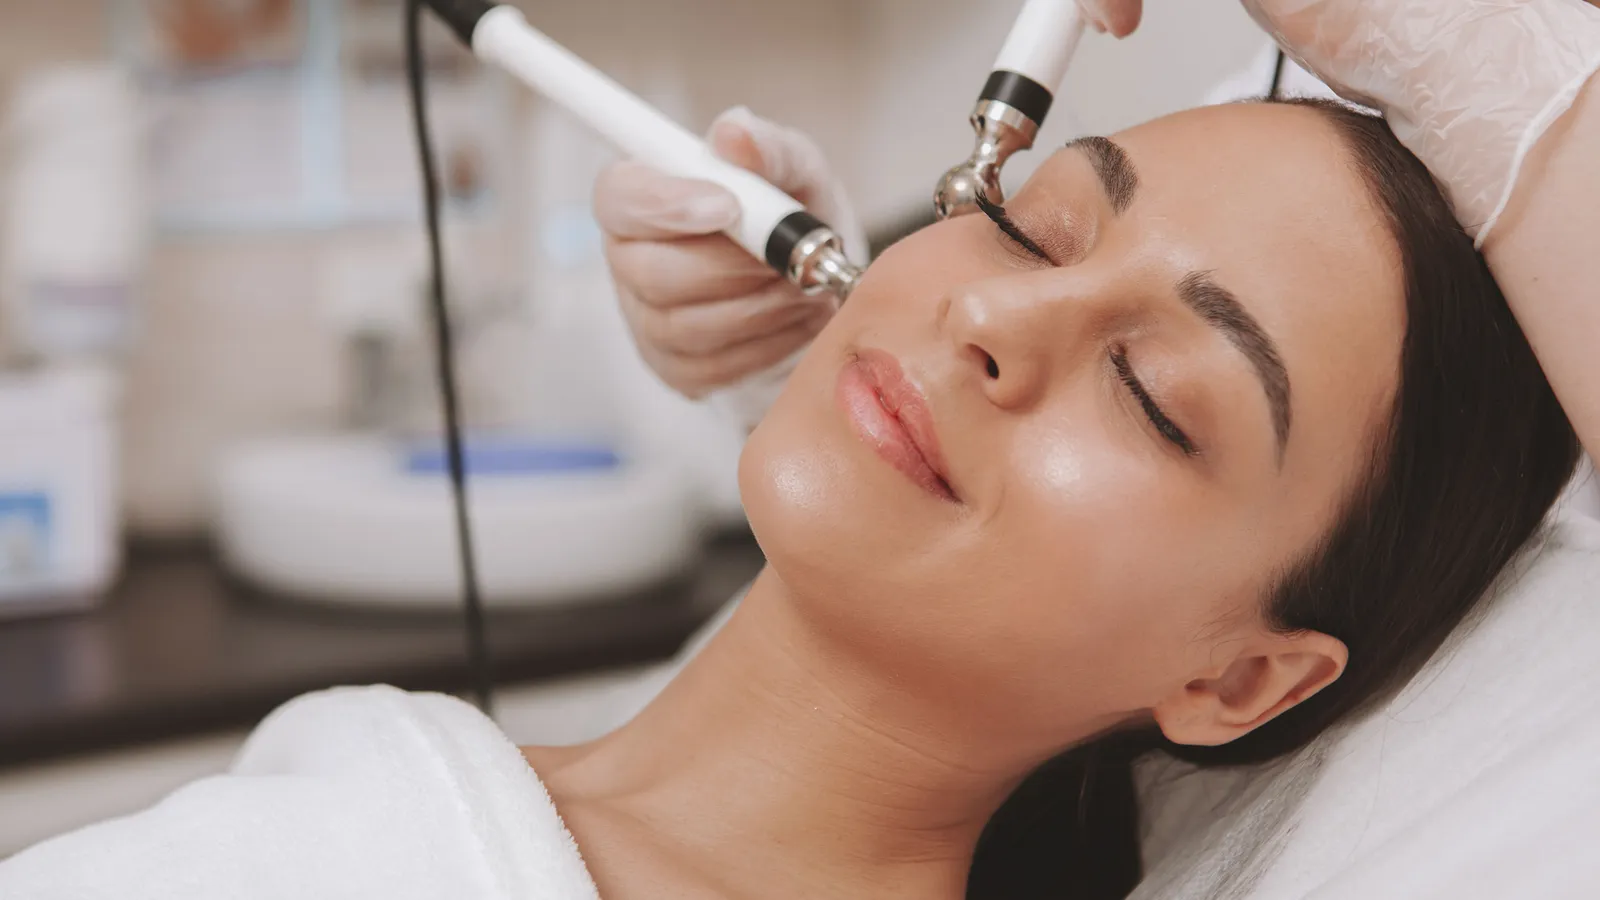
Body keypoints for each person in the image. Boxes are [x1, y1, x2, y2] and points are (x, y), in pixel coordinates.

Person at [0, 92, 1581, 899]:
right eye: (1032, 224)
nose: (991, 313)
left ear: (1239, 682)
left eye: (1159, 397)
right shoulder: (346, 818)